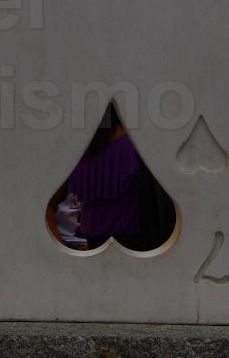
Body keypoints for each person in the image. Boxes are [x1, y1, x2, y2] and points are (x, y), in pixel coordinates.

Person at [48, 106, 175, 251]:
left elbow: (49, 203)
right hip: (136, 241)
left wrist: (63, 247)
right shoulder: (135, 143)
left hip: (99, 242)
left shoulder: (78, 152)